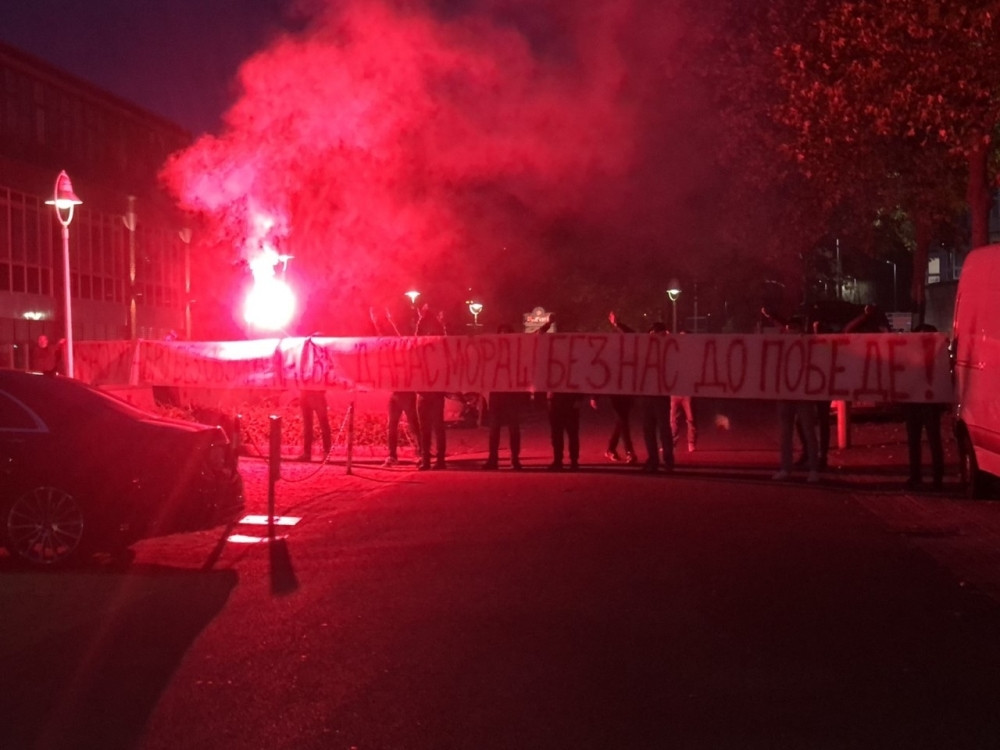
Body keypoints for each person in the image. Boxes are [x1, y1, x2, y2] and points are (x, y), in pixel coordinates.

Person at [370, 307, 421, 467]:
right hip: (396, 393)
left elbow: (393, 338)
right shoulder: (394, 353)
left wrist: (385, 321)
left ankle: (420, 453)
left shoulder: (407, 353)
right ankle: (392, 455)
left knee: (413, 424)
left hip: (406, 393)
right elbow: (386, 340)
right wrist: (377, 322)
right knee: (392, 425)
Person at [772, 316, 820, 482]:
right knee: (785, 434)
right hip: (785, 394)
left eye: (794, 328)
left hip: (803, 395)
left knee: (808, 432)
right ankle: (786, 468)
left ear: (800, 329)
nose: (791, 331)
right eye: (789, 328)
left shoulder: (808, 344)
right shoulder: (780, 346)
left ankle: (813, 469)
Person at [903, 324, 945, 490]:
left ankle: (937, 478)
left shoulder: (936, 358)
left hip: (928, 403)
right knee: (915, 440)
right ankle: (917, 476)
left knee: (933, 439)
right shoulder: (909, 356)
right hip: (914, 403)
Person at [484, 324, 524, 470]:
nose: (504, 336)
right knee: (494, 429)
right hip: (497, 395)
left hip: (512, 396)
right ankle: (493, 459)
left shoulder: (517, 351)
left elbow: (533, 339)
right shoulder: (493, 351)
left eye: (507, 333)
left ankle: (515, 459)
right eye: (502, 333)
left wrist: (546, 326)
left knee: (513, 429)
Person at [604, 312, 638, 464]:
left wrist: (617, 324)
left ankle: (610, 449)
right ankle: (630, 452)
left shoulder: (629, 352)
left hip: (627, 390)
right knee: (623, 419)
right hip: (615, 392)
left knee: (621, 420)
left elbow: (633, 336)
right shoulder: (610, 355)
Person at [416, 304, 447, 470]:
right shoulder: (420, 346)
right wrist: (420, 320)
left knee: (437, 426)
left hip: (435, 393)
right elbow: (414, 340)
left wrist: (442, 325)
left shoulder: (440, 346)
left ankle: (440, 460)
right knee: (425, 428)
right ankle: (426, 460)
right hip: (423, 392)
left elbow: (447, 342)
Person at [297, 387, 331, 462]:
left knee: (323, 424)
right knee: (308, 425)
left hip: (317, 395)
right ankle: (307, 453)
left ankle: (326, 452)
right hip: (306, 394)